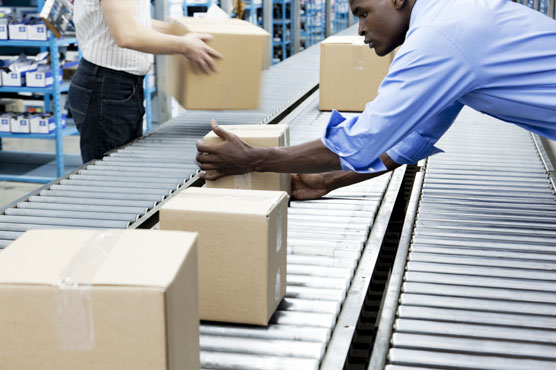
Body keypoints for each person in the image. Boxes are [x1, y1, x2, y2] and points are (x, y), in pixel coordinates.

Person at [196, 0, 556, 200]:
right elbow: (413, 140)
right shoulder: (449, 20)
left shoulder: (437, 37)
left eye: (363, 13)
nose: (361, 30)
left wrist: (254, 159)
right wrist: (326, 181)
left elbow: (362, 140)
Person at [69, 0, 221, 163]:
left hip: (117, 86)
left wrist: (183, 31)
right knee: (109, 172)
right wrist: (184, 45)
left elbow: (136, 22)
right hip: (106, 87)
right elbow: (126, 35)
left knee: (123, 165)